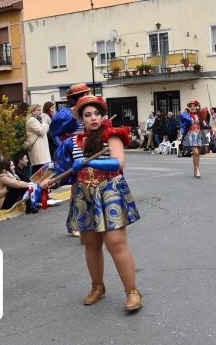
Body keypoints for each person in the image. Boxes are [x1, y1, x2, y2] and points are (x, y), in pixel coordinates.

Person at [51, 95, 142, 311]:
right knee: (91, 244)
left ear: (102, 116)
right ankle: (97, 286)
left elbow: (119, 163)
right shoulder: (74, 142)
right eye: (88, 115)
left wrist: (94, 162)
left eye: (96, 114)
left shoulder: (112, 136)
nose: (93, 118)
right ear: (81, 119)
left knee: (115, 242)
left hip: (109, 190)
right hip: (85, 193)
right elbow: (63, 170)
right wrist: (47, 182)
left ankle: (132, 291)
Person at [49, 83, 92, 238]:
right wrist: (66, 149)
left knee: (85, 190)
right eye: (83, 95)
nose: (85, 97)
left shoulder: (87, 111)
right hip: (73, 154)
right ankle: (74, 224)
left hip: (86, 152)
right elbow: (54, 133)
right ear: (75, 99)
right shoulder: (67, 114)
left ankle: (78, 223)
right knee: (77, 190)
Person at [180, 100, 209, 178]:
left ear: (197, 107)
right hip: (191, 134)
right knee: (195, 153)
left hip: (199, 134)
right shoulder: (187, 115)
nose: (192, 107)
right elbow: (183, 125)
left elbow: (204, 123)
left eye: (194, 106)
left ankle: (195, 169)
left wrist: (207, 125)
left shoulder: (199, 115)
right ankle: (197, 170)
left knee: (197, 154)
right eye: (191, 106)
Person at [25, 104, 51, 174]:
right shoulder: (31, 121)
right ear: (33, 112)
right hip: (38, 150)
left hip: (41, 150)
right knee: (38, 170)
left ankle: (38, 184)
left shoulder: (38, 120)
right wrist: (45, 123)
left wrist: (43, 124)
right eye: (38, 110)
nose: (41, 112)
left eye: (41, 110)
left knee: (42, 170)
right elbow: (42, 131)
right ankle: (35, 184)